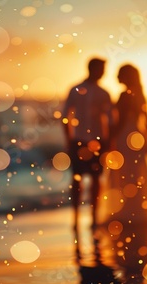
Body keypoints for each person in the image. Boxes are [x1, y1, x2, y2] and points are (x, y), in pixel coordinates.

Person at [105, 64, 147, 280]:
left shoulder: (123, 95)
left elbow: (118, 122)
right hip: (137, 136)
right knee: (137, 174)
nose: (116, 76)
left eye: (119, 73)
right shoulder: (140, 93)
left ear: (126, 77)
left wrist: (110, 139)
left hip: (125, 137)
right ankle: (140, 209)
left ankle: (129, 211)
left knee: (126, 175)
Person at [62, 57, 113, 265]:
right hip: (82, 141)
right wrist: (70, 140)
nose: (103, 72)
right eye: (101, 69)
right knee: (79, 180)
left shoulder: (102, 93)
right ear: (93, 69)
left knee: (93, 180)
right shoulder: (76, 89)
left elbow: (109, 118)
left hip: (94, 142)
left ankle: (92, 219)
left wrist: (107, 141)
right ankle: (77, 219)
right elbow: (65, 116)